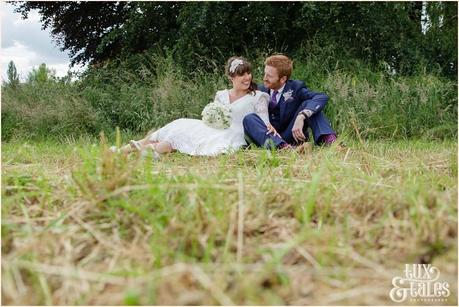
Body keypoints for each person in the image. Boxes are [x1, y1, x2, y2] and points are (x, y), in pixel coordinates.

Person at [111, 57, 270, 157]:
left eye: (248, 73)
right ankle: (126, 149)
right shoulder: (221, 95)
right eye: (242, 74)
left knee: (177, 141)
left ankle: (146, 150)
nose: (247, 77)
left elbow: (264, 123)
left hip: (232, 134)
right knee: (178, 125)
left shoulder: (257, 96)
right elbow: (212, 116)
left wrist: (270, 129)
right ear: (231, 77)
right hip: (212, 128)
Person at [243, 54, 337, 150]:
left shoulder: (296, 87)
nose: (264, 78)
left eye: (269, 76)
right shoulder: (259, 90)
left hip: (291, 134)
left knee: (309, 106)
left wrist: (302, 115)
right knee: (249, 118)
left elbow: (321, 97)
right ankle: (284, 148)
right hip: (268, 137)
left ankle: (331, 142)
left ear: (283, 79)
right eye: (265, 74)